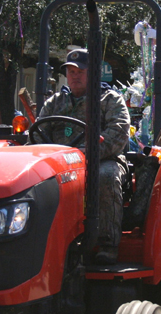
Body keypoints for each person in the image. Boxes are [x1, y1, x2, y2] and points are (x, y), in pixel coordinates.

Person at [37, 49, 130, 265]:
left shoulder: (110, 99)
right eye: (70, 71)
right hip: (58, 162)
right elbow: (39, 133)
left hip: (101, 159)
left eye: (80, 71)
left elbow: (118, 134)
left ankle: (108, 243)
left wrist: (83, 155)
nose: (74, 76)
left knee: (105, 177)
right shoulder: (55, 102)